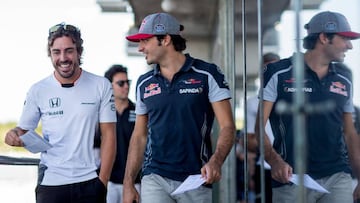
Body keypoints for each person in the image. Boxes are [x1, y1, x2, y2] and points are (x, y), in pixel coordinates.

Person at [122, 12, 236, 203]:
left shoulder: (207, 74)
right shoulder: (143, 83)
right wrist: (128, 183)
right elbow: (139, 135)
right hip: (154, 177)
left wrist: (216, 161)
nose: (140, 48)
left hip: (196, 179)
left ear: (165, 39)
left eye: (145, 40)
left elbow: (228, 127)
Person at [4, 22, 117, 203]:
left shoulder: (101, 85)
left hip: (89, 182)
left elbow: (109, 135)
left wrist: (102, 181)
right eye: (56, 52)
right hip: (51, 184)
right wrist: (12, 135)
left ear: (79, 52)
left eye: (69, 51)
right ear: (50, 54)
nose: (63, 58)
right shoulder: (38, 90)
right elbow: (23, 130)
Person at [255, 11, 360, 202]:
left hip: (337, 177)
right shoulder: (277, 73)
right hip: (290, 179)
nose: (350, 45)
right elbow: (258, 128)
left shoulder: (344, 81)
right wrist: (275, 161)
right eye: (345, 38)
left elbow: (350, 133)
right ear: (323, 37)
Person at [96, 64, 141, 203]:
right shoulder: (101, 114)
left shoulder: (139, 111)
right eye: (121, 83)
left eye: (128, 82)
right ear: (110, 86)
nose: (126, 86)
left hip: (135, 182)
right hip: (108, 181)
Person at [247, 52, 280, 203]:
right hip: (266, 167)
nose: (272, 72)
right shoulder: (252, 103)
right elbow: (249, 141)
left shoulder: (294, 98)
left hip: (295, 166)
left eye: (276, 67)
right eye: (268, 68)